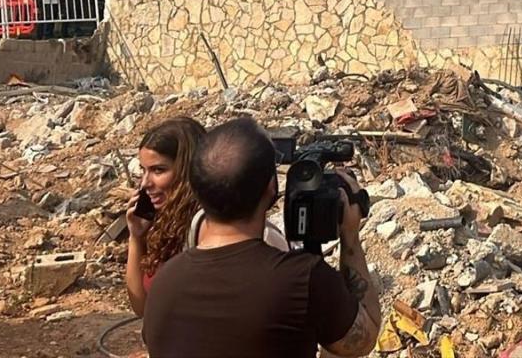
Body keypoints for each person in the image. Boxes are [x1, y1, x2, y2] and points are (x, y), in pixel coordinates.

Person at [141, 118, 380, 358]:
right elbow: (363, 340)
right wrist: (350, 237)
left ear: (195, 187)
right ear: (270, 187)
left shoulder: (164, 282)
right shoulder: (303, 280)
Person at [125, 117, 206, 318]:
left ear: (187, 170)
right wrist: (136, 237)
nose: (145, 183)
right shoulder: (165, 223)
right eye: (143, 170)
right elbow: (142, 307)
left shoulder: (206, 226)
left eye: (158, 170)